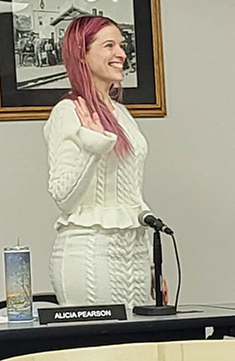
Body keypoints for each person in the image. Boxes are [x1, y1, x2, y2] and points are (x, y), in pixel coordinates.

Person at [44, 15, 162, 308]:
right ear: (81, 55)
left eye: (121, 45)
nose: (121, 54)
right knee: (98, 353)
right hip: (89, 255)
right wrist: (94, 146)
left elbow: (132, 196)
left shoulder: (122, 114)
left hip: (133, 254)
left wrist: (150, 265)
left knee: (140, 351)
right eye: (109, 45)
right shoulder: (67, 112)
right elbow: (63, 196)